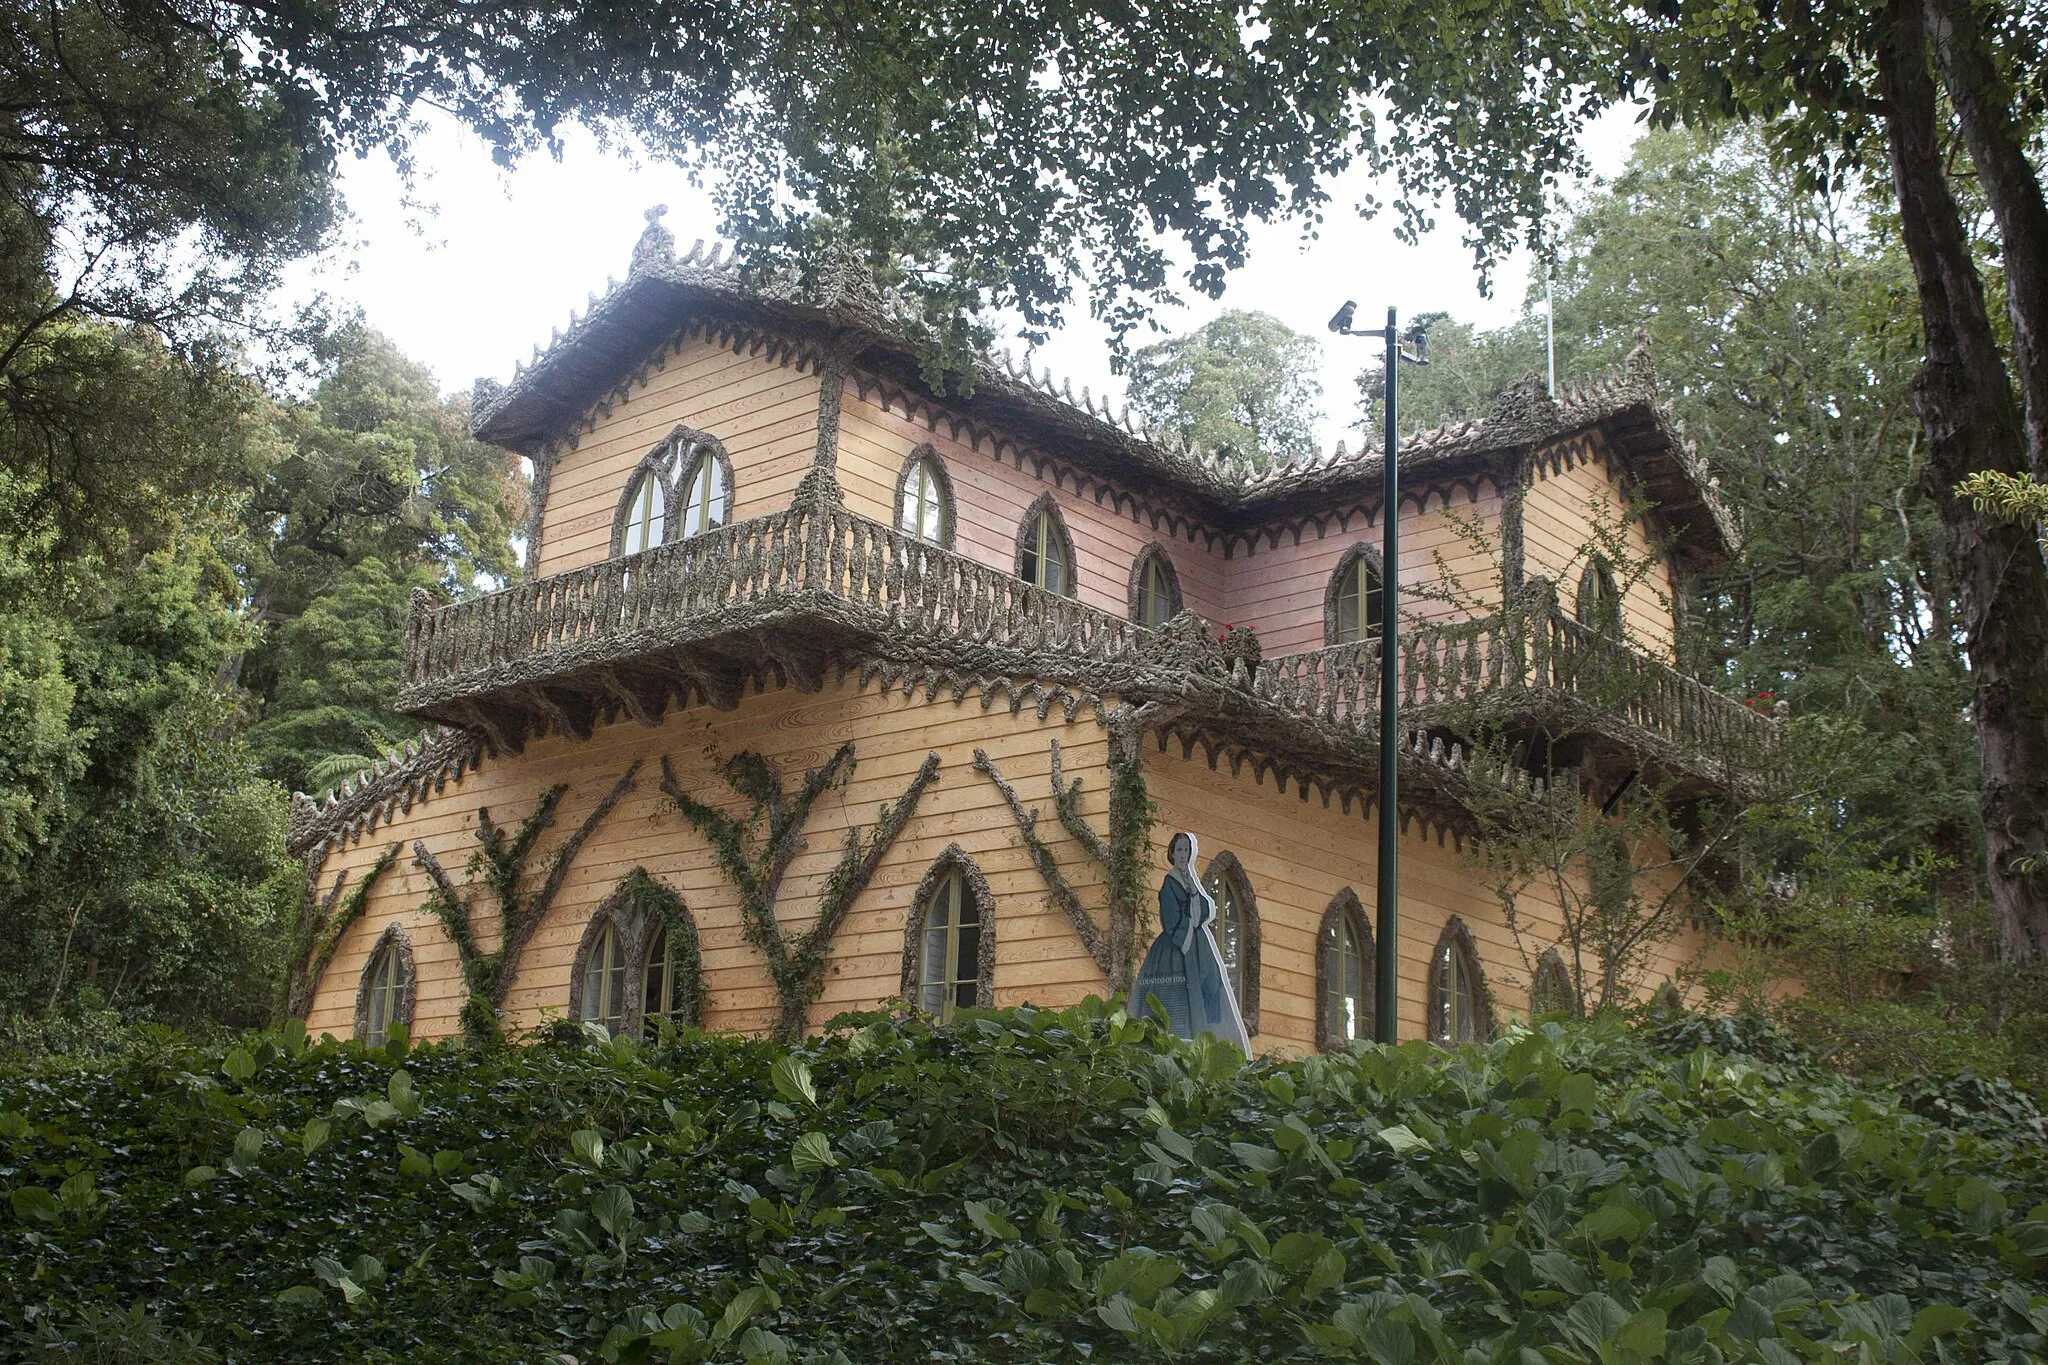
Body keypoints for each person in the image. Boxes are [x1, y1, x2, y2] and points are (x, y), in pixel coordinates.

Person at [1131, 832, 1250, 1052]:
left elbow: (1204, 910)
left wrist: (1194, 892)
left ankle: (1201, 1041)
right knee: (1175, 998)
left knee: (1203, 986)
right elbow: (1171, 917)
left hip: (1197, 946)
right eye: (1179, 850)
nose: (1183, 855)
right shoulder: (1169, 883)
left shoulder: (1190, 881)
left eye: (1186, 850)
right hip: (1175, 950)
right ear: (1172, 854)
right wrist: (1189, 927)